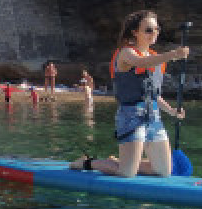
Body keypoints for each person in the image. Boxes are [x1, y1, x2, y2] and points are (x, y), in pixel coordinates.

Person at [71, 10, 188, 178]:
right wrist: (173, 54)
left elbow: (153, 94)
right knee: (126, 174)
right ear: (135, 32)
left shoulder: (155, 57)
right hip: (131, 116)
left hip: (153, 116)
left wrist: (171, 111)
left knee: (163, 172)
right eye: (148, 30)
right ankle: (87, 162)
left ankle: (121, 161)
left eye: (156, 29)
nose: (154, 33)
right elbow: (141, 62)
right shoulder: (126, 53)